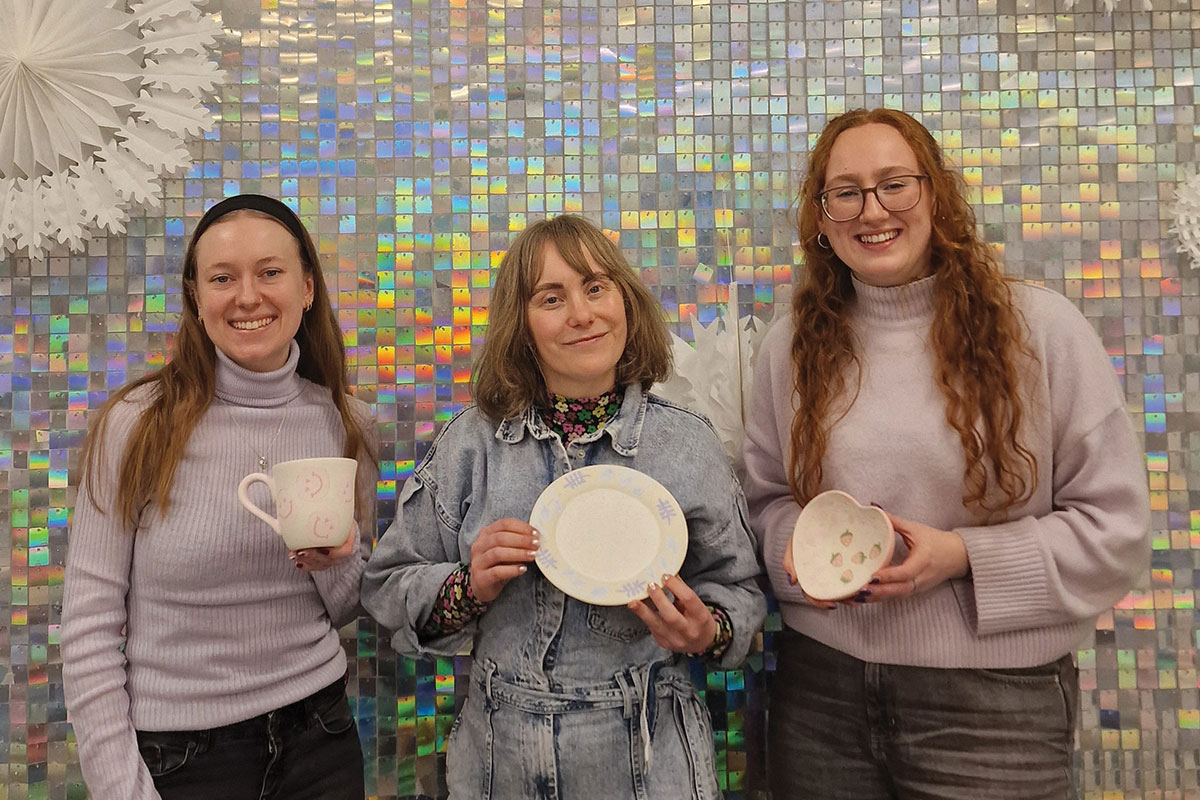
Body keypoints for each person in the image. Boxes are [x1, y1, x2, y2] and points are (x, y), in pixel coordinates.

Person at [742, 108, 1150, 800]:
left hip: (995, 707)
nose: (872, 210)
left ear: (936, 193)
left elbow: (1117, 529)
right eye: (845, 192)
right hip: (822, 695)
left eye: (894, 184)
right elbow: (763, 504)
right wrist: (806, 555)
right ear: (821, 218)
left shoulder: (1041, 331)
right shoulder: (791, 346)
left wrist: (963, 557)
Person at [362, 214, 765, 799]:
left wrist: (707, 630)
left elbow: (743, 593)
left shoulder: (686, 444)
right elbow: (387, 585)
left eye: (596, 288)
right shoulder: (471, 445)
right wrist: (467, 587)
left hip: (652, 751)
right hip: (502, 758)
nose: (581, 313)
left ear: (624, 301)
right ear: (521, 327)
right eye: (552, 298)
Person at [61, 194, 379, 800]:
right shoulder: (136, 425)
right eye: (223, 278)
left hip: (321, 739)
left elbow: (344, 608)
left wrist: (340, 560)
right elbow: (88, 626)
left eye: (270, 272)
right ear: (196, 298)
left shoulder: (342, 421)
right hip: (183, 759)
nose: (248, 296)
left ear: (307, 288)